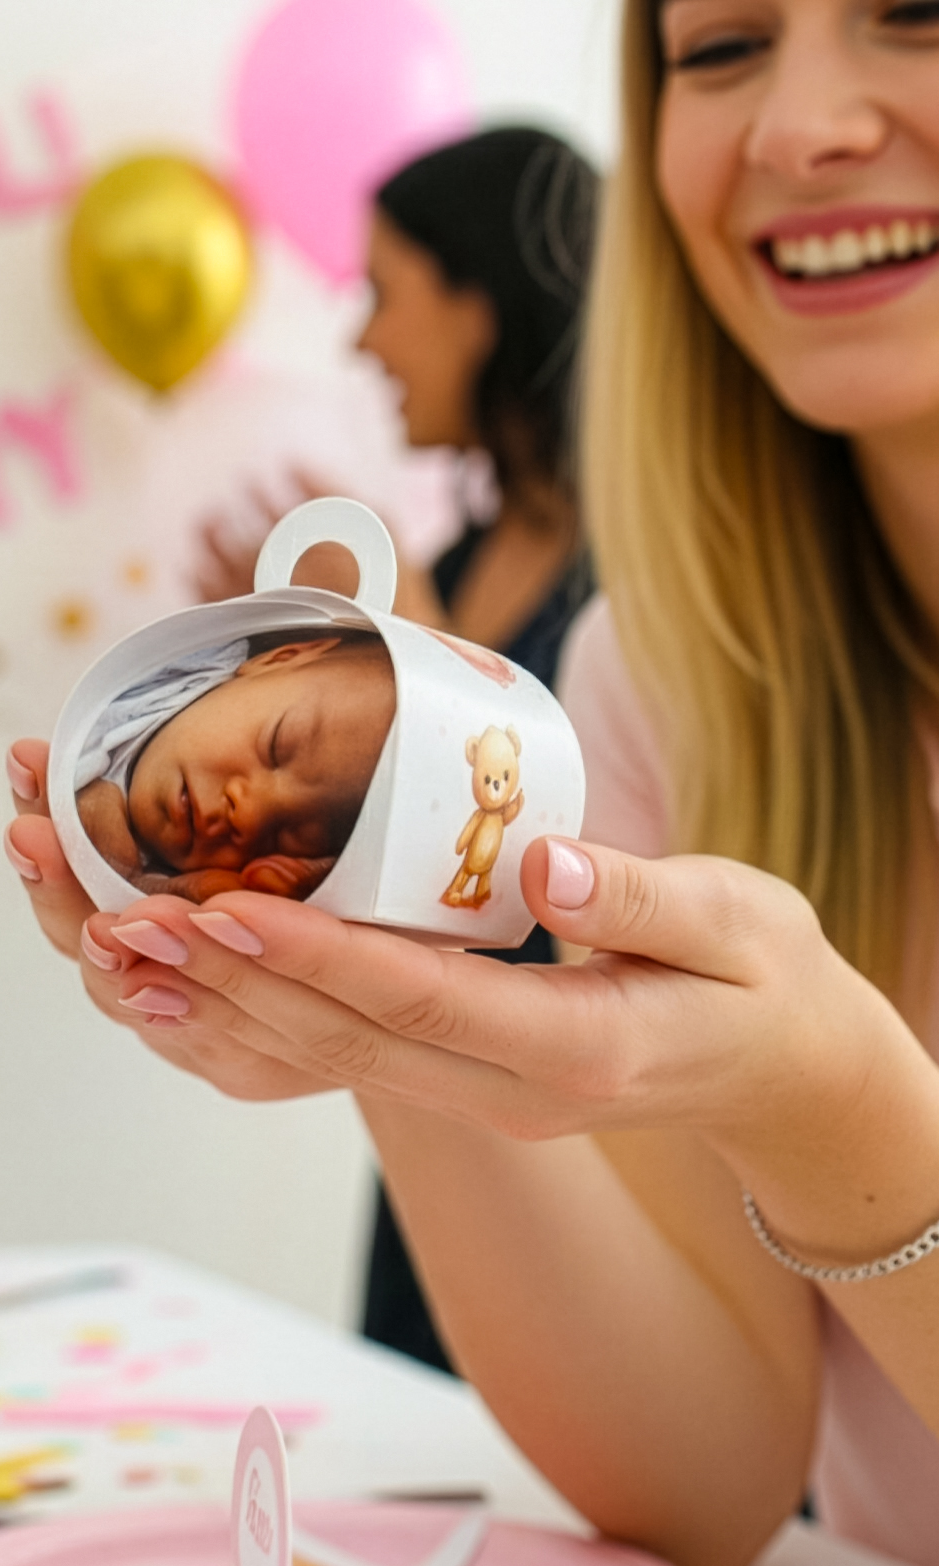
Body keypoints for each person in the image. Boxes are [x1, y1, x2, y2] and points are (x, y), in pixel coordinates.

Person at [2, 0, 939, 1566]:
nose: (795, 128)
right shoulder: (664, 676)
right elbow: (699, 1486)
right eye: (720, 50)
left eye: (928, 9)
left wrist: (839, 1115)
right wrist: (377, 998)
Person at [193, 125, 600, 1371]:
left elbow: (573, 898)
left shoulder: (638, 593)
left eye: (385, 291)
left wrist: (411, 648)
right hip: (434, 1130)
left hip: (593, 1193)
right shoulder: (473, 563)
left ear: (481, 302)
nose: (364, 340)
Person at [72, 631, 394, 905]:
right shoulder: (200, 654)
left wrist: (144, 886)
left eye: (282, 839)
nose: (249, 813)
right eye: (276, 745)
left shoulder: (210, 886)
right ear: (278, 659)